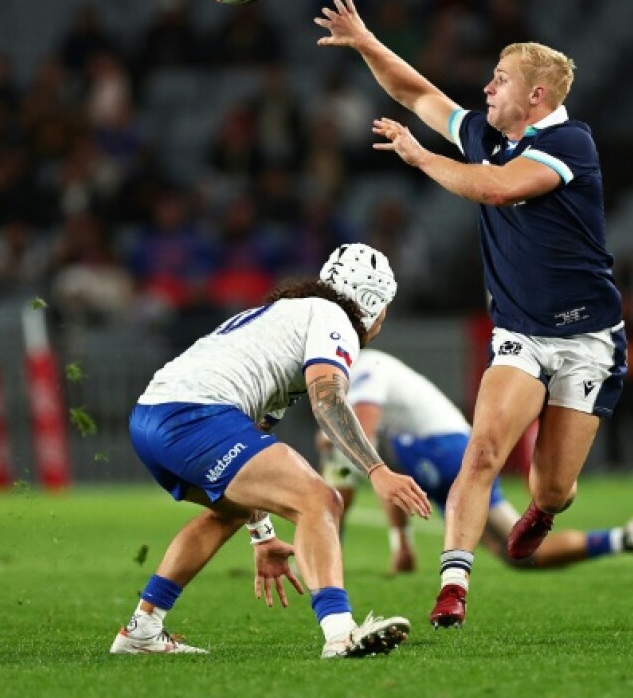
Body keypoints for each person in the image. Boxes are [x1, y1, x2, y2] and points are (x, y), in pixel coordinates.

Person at [317, 0, 627, 629]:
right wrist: (365, 40)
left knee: (553, 489)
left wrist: (420, 157)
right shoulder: (491, 135)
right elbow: (419, 94)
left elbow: (495, 188)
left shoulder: (571, 142)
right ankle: (453, 583)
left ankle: (542, 512)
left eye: (501, 79)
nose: (486, 86)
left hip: (588, 340)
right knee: (481, 451)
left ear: (537, 95)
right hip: (520, 335)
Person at [109, 243, 432, 659]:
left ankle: (142, 628)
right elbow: (328, 400)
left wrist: (262, 536)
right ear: (370, 302)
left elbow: (253, 439)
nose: (383, 321)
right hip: (194, 414)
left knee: (229, 510)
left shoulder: (287, 316)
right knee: (320, 499)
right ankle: (340, 634)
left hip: (151, 419)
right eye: (384, 307)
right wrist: (376, 469)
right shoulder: (333, 318)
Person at [317, 349, 633, 577]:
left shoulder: (364, 369)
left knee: (342, 452)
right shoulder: (371, 369)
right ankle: (623, 539)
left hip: (444, 452)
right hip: (448, 451)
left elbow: (361, 440)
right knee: (519, 554)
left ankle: (327, 557)